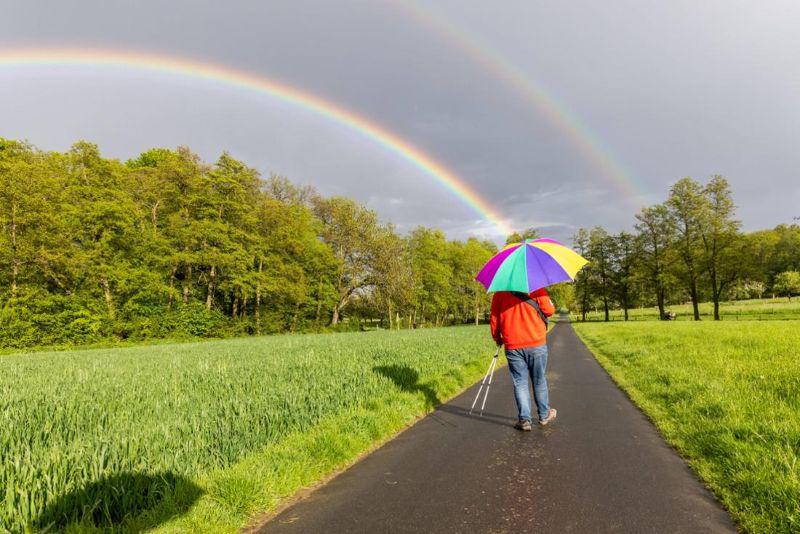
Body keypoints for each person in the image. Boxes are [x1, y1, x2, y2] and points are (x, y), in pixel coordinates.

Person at [490, 288, 556, 431]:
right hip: (536, 342)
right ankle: (544, 415)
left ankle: (524, 420)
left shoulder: (499, 294)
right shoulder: (537, 289)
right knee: (539, 380)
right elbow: (550, 310)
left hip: (512, 345)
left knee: (520, 382)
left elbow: (494, 318)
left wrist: (497, 338)